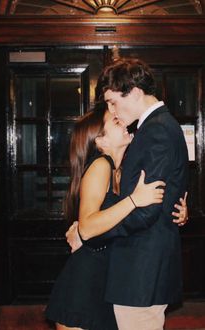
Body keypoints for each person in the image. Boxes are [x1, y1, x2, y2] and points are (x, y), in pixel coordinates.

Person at [70, 57, 189, 330]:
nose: (111, 110)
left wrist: (89, 232)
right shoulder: (155, 127)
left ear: (134, 92)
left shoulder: (156, 130)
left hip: (141, 270)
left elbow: (146, 210)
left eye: (112, 101)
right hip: (139, 268)